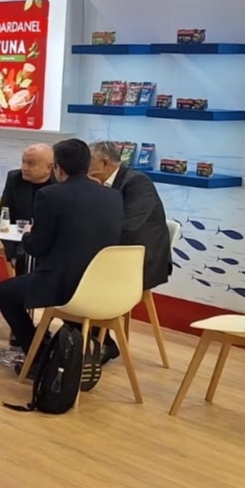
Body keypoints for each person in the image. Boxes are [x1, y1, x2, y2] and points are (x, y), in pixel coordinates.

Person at [0, 138, 124, 364]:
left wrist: (27, 235)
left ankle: (37, 356)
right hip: (102, 285)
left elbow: (37, 247)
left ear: (57, 168)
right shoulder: (113, 196)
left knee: (4, 292)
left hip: (64, 285)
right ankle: (68, 349)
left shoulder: (50, 195)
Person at [88, 140, 172, 363]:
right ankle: (91, 340)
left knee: (81, 279)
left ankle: (96, 342)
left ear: (104, 163)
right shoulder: (99, 184)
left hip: (142, 261)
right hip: (115, 255)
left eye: (88, 162)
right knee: (68, 275)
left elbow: (128, 227)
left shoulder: (137, 182)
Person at [0, 143, 56, 270]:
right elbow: (4, 217)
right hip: (21, 244)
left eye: (30, 164)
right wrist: (12, 253)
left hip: (51, 245)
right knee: (23, 259)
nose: (24, 168)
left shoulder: (59, 184)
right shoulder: (15, 179)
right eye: (23, 162)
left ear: (49, 167)